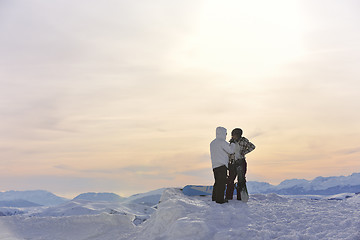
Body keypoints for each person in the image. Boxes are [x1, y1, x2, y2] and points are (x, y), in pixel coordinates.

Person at [226, 128, 256, 200]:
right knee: (230, 179)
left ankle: (241, 197)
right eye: (232, 135)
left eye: (234, 135)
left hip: (241, 161)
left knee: (241, 180)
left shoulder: (244, 141)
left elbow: (252, 146)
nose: (232, 136)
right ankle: (228, 197)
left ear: (238, 135)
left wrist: (244, 152)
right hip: (232, 163)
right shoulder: (231, 142)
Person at [210, 126, 234, 204]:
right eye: (226, 133)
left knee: (217, 182)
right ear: (223, 133)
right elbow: (231, 150)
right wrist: (232, 143)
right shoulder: (222, 142)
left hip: (215, 165)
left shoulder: (212, 143)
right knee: (222, 184)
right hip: (222, 165)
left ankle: (214, 197)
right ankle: (220, 200)